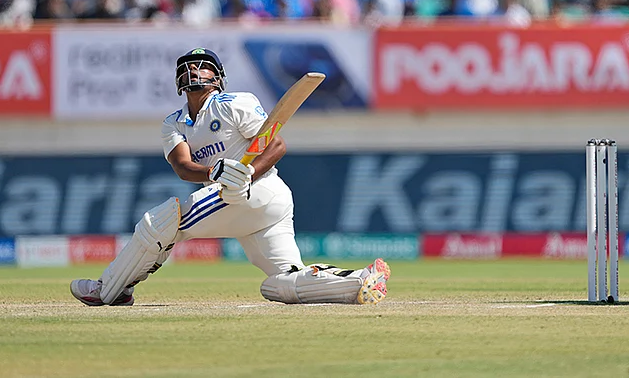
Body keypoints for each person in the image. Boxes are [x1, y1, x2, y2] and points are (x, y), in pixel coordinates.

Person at [70, 48, 390, 306]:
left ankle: (110, 289)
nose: (196, 71)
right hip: (234, 197)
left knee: (162, 220)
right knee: (280, 283)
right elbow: (182, 166)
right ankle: (357, 281)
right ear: (179, 80)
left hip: (260, 191)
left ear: (218, 77)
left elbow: (275, 144)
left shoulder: (236, 102)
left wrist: (247, 173)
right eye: (189, 67)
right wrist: (214, 171)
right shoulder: (174, 123)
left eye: (205, 66)